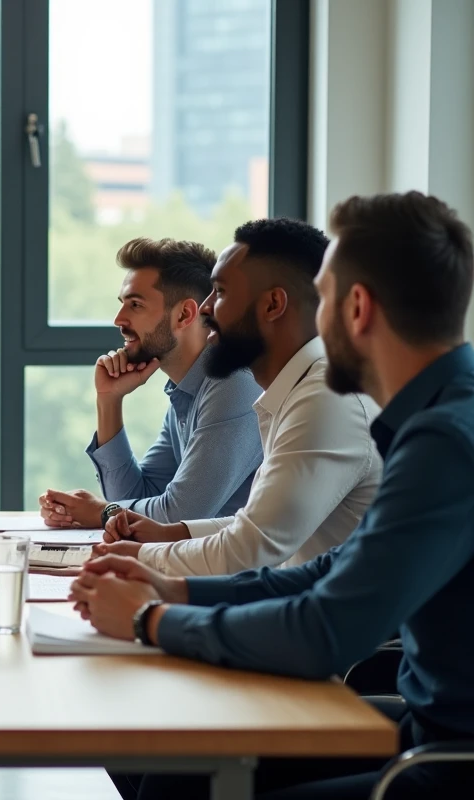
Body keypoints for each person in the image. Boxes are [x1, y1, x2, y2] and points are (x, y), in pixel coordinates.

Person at [73, 191, 474, 799]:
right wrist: (176, 589)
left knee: (178, 785)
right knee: (172, 770)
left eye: (326, 298)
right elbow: (332, 569)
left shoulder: (443, 439)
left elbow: (326, 628)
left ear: (356, 307)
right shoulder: (438, 417)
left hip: (447, 759)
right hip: (423, 727)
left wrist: (149, 618)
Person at [93, 218, 381, 576]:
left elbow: (253, 548)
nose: (206, 308)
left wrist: (136, 557)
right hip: (296, 609)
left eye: (222, 293)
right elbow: (255, 524)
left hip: (339, 628)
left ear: (273, 305)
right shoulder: (296, 389)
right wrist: (172, 533)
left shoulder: (327, 400)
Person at [39, 238, 263, 529]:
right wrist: (109, 400)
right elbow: (135, 497)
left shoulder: (232, 386)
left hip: (245, 572)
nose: (119, 319)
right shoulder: (186, 395)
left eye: (135, 305)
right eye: (122, 304)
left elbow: (179, 514)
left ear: (184, 314)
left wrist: (102, 512)